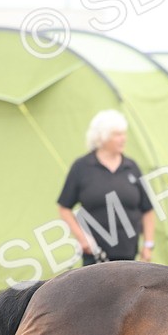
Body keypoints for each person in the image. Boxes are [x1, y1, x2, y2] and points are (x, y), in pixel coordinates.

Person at [57, 110, 157, 265]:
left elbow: (147, 210)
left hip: (129, 257)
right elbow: (64, 208)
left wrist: (148, 245)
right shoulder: (82, 167)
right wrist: (82, 238)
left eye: (124, 133)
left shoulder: (131, 167)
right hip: (95, 259)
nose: (123, 138)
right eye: (117, 134)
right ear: (101, 138)